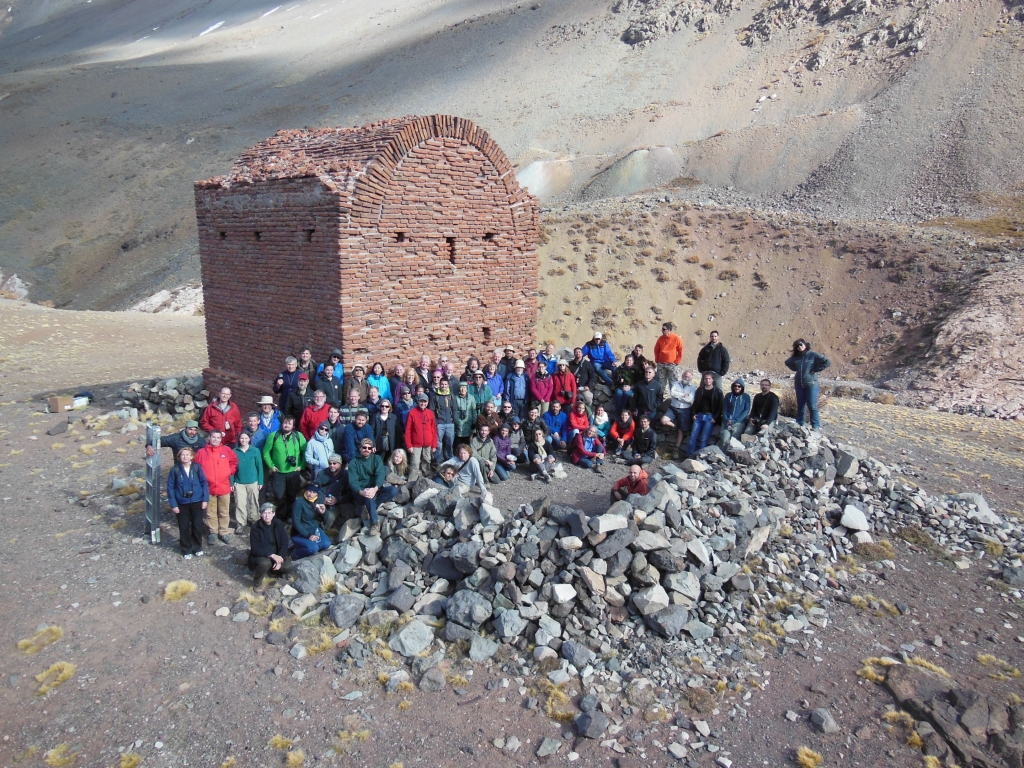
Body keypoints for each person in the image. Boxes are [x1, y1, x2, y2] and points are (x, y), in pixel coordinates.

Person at [195, 430, 238, 546]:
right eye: (213, 437)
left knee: (224, 511)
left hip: (223, 486)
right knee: (210, 512)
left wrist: (229, 472)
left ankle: (223, 532)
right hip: (208, 488)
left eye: (218, 437)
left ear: (221, 439)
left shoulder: (227, 450)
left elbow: (234, 462)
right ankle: (213, 532)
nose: (216, 439)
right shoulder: (201, 452)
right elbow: (196, 468)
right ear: (209, 438)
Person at [348, 438, 398, 535]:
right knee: (368, 496)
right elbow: (353, 482)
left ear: (372, 449)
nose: (367, 449)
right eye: (364, 447)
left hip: (375, 489)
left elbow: (380, 475)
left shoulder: (376, 459)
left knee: (393, 490)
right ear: (360, 448)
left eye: (369, 448)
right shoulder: (353, 463)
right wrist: (362, 492)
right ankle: (375, 523)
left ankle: (370, 508)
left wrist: (375, 488)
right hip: (361, 492)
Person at [167, 446, 208, 559]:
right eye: (182, 455)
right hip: (181, 503)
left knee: (197, 526)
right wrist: (173, 504)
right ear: (179, 457)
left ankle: (197, 547)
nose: (185, 457)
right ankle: (186, 549)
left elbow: (204, 483)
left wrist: (205, 499)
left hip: (197, 501)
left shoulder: (196, 467)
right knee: (184, 527)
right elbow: (170, 488)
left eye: (187, 455)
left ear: (191, 456)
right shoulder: (175, 470)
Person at [262, 415, 306, 518]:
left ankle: (290, 516)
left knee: (292, 495)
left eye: (289, 423)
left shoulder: (298, 436)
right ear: (282, 424)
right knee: (278, 495)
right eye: (285, 423)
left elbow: (306, 452)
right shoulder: (274, 436)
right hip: (278, 472)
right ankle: (281, 516)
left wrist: (302, 465)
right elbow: (266, 452)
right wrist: (271, 465)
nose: (287, 425)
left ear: (293, 426)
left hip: (293, 472)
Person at [785, 339, 832, 430]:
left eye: (801, 344)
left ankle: (815, 426)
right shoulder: (796, 357)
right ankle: (800, 423)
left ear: (805, 345)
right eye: (797, 346)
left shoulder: (813, 355)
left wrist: (816, 369)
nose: (799, 347)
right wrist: (795, 368)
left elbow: (827, 362)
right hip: (799, 384)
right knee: (801, 405)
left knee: (812, 405)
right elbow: (787, 362)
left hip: (811, 384)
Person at [248, 503, 293, 589]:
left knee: (288, 567)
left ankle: (273, 572)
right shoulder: (256, 528)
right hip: (263, 554)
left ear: (273, 514)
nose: (267, 516)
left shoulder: (278, 524)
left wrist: (280, 558)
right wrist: (272, 555)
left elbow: (284, 542)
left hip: (277, 552)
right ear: (261, 514)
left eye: (269, 513)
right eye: (264, 513)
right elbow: (255, 549)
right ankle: (257, 583)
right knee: (265, 563)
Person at [231, 431, 263, 535]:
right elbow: (231, 468)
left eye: (246, 438)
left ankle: (254, 520)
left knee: (253, 501)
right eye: (242, 438)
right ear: (239, 439)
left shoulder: (255, 450)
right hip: (239, 482)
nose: (244, 440)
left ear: (249, 439)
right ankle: (241, 523)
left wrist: (260, 481)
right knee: (240, 503)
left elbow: (259, 467)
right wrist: (232, 483)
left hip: (253, 481)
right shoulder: (234, 451)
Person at [662, 369, 696, 458]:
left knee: (681, 431)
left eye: (688, 376)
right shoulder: (676, 384)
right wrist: (683, 396)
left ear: (691, 378)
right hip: (673, 408)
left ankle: (676, 449)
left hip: (685, 410)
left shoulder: (692, 387)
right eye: (685, 375)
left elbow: (691, 399)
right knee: (663, 420)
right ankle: (675, 426)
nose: (686, 377)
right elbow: (672, 393)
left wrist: (679, 396)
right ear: (682, 375)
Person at [291, 485, 331, 558]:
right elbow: (296, 522)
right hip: (301, 533)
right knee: (313, 549)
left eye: (313, 492)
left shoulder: (318, 501)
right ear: (306, 491)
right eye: (309, 491)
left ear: (317, 494)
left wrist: (324, 513)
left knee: (326, 544)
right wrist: (308, 536)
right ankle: (296, 554)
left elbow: (325, 519)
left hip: (315, 529)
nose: (311, 494)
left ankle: (311, 546)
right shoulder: (299, 503)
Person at [404, 394, 437, 482]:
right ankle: (411, 480)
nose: (423, 403)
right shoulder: (412, 413)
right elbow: (407, 430)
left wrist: (434, 445)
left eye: (425, 401)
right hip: (415, 443)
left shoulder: (430, 413)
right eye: (421, 401)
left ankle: (427, 478)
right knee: (415, 462)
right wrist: (409, 445)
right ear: (418, 401)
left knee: (427, 460)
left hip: (428, 443)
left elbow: (434, 429)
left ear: (427, 402)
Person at [688, 372, 723, 455]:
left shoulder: (718, 392)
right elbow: (695, 402)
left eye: (709, 378)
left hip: (709, 417)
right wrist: (693, 414)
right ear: (703, 380)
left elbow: (720, 407)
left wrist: (715, 418)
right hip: (699, 415)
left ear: (713, 379)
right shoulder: (700, 390)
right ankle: (689, 455)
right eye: (706, 379)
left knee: (704, 438)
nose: (707, 380)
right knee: (693, 436)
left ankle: (701, 456)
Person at [315, 454, 351, 531]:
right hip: (321, 500)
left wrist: (337, 500)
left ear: (340, 464)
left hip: (336, 503)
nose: (332, 466)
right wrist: (323, 499)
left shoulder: (346, 475)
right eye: (330, 463)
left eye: (334, 463)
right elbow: (315, 489)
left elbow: (350, 494)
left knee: (329, 517)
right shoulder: (322, 473)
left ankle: (322, 532)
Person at [429, 370, 456, 463]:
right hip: (439, 423)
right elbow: (431, 409)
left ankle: (449, 458)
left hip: (450, 423)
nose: (444, 386)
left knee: (449, 442)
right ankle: (438, 460)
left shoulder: (451, 396)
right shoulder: (435, 396)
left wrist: (454, 419)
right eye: (442, 384)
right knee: (438, 443)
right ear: (440, 385)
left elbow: (454, 408)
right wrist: (435, 421)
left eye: (445, 384)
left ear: (448, 385)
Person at [654, 322, 684, 395]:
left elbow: (680, 350)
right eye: (662, 329)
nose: (662, 330)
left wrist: (677, 361)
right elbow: (656, 349)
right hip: (661, 364)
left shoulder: (676, 338)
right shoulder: (660, 338)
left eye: (664, 329)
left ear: (669, 330)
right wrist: (657, 360)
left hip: (672, 365)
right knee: (661, 383)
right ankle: (660, 400)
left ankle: (674, 400)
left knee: (673, 383)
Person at [719, 378, 751, 446]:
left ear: (742, 387)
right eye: (735, 386)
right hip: (727, 422)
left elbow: (746, 411)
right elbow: (724, 409)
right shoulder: (728, 396)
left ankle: (730, 455)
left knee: (734, 441)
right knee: (724, 439)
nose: (737, 387)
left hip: (738, 423)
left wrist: (735, 420)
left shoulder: (746, 397)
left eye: (739, 386)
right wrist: (726, 419)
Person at [453, 381, 478, 449]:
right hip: (458, 423)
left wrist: (474, 422)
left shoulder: (471, 398)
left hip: (468, 422)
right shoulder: (455, 398)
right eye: (461, 387)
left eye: (464, 387)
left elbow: (474, 410)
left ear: (467, 389)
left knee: (467, 442)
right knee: (458, 442)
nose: (463, 389)